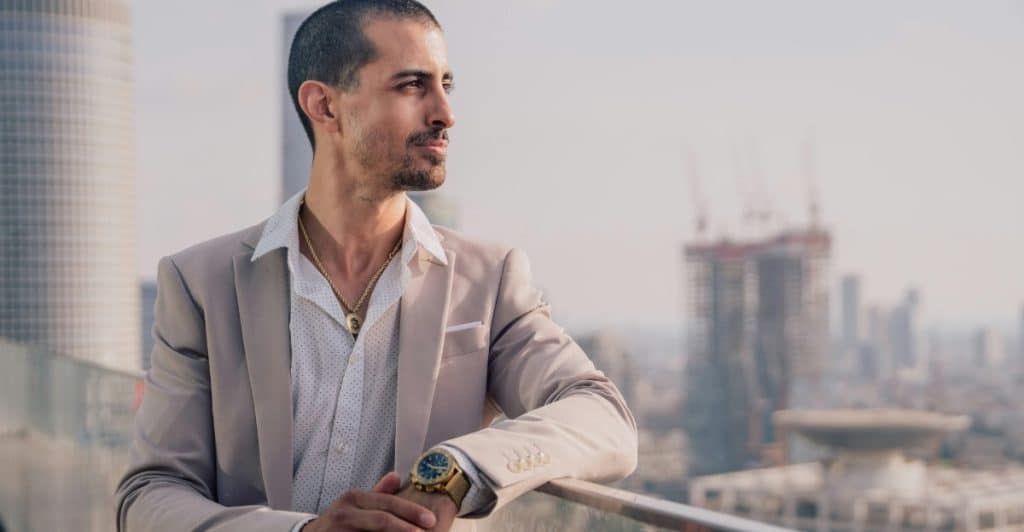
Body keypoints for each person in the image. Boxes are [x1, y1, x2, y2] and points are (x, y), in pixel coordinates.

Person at [114, 1, 637, 531]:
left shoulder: (491, 279)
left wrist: (456, 471)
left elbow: (603, 417)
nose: (444, 113)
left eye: (446, 85)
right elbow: (149, 496)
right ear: (324, 105)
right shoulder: (201, 283)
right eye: (412, 85)